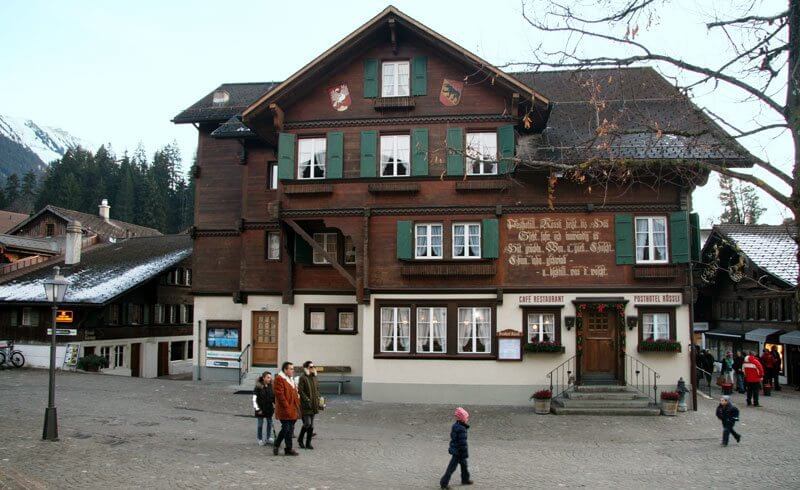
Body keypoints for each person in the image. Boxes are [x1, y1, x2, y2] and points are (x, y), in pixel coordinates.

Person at [440, 407, 473, 489]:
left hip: (458, 450)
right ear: (462, 419)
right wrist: (464, 452)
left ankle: (465, 479)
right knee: (451, 468)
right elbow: (462, 443)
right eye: (466, 418)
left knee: (464, 466)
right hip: (459, 452)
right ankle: (444, 483)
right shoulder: (461, 428)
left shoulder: (456, 426)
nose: (467, 419)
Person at [273, 361, 301, 456]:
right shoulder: (279, 379)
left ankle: (288, 448)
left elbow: (295, 394)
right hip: (284, 409)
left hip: (292, 409)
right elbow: (280, 395)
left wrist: (298, 405)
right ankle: (276, 444)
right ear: (285, 370)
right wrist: (287, 407)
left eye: (293, 369)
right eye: (291, 369)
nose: (293, 370)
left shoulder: (291, 380)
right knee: (286, 428)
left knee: (290, 429)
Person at [297, 360, 321, 450]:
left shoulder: (314, 377)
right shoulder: (303, 377)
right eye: (311, 367)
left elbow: (317, 389)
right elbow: (300, 390)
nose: (313, 368)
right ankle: (300, 439)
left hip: (314, 404)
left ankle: (308, 442)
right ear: (306, 368)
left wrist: (318, 398)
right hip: (306, 404)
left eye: (313, 366)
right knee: (307, 423)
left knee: (311, 425)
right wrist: (307, 400)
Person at [252, 371, 275, 446]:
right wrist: (257, 409)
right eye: (268, 377)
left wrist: (275, 404)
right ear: (263, 378)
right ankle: (260, 439)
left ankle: (268, 438)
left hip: (269, 409)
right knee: (260, 425)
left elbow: (273, 397)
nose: (269, 379)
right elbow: (254, 399)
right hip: (260, 410)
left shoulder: (270, 386)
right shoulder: (258, 387)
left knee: (269, 423)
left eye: (270, 378)